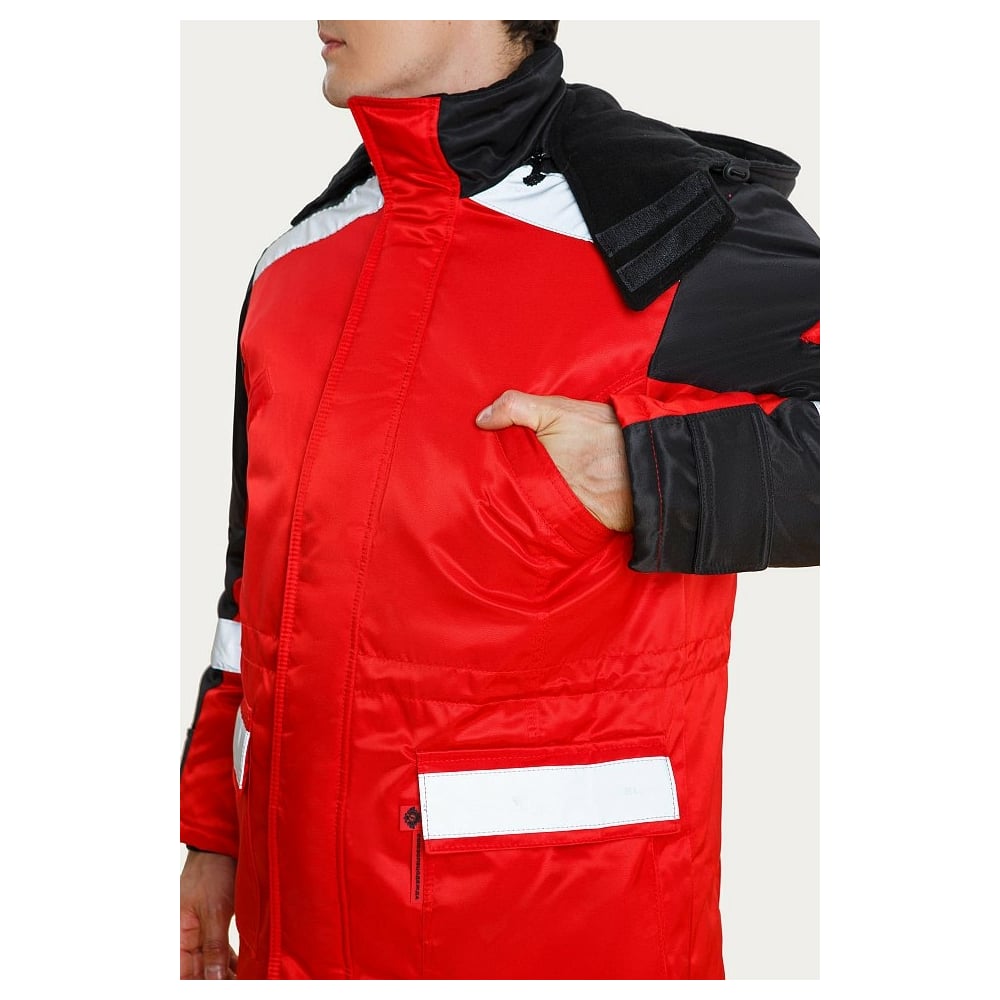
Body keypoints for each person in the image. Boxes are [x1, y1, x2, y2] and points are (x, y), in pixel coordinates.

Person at [180, 20, 819, 980]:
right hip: (292, 931)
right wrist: (213, 837)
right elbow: (253, 586)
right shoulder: (295, 264)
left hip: (560, 936)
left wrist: (653, 471)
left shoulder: (671, 228)